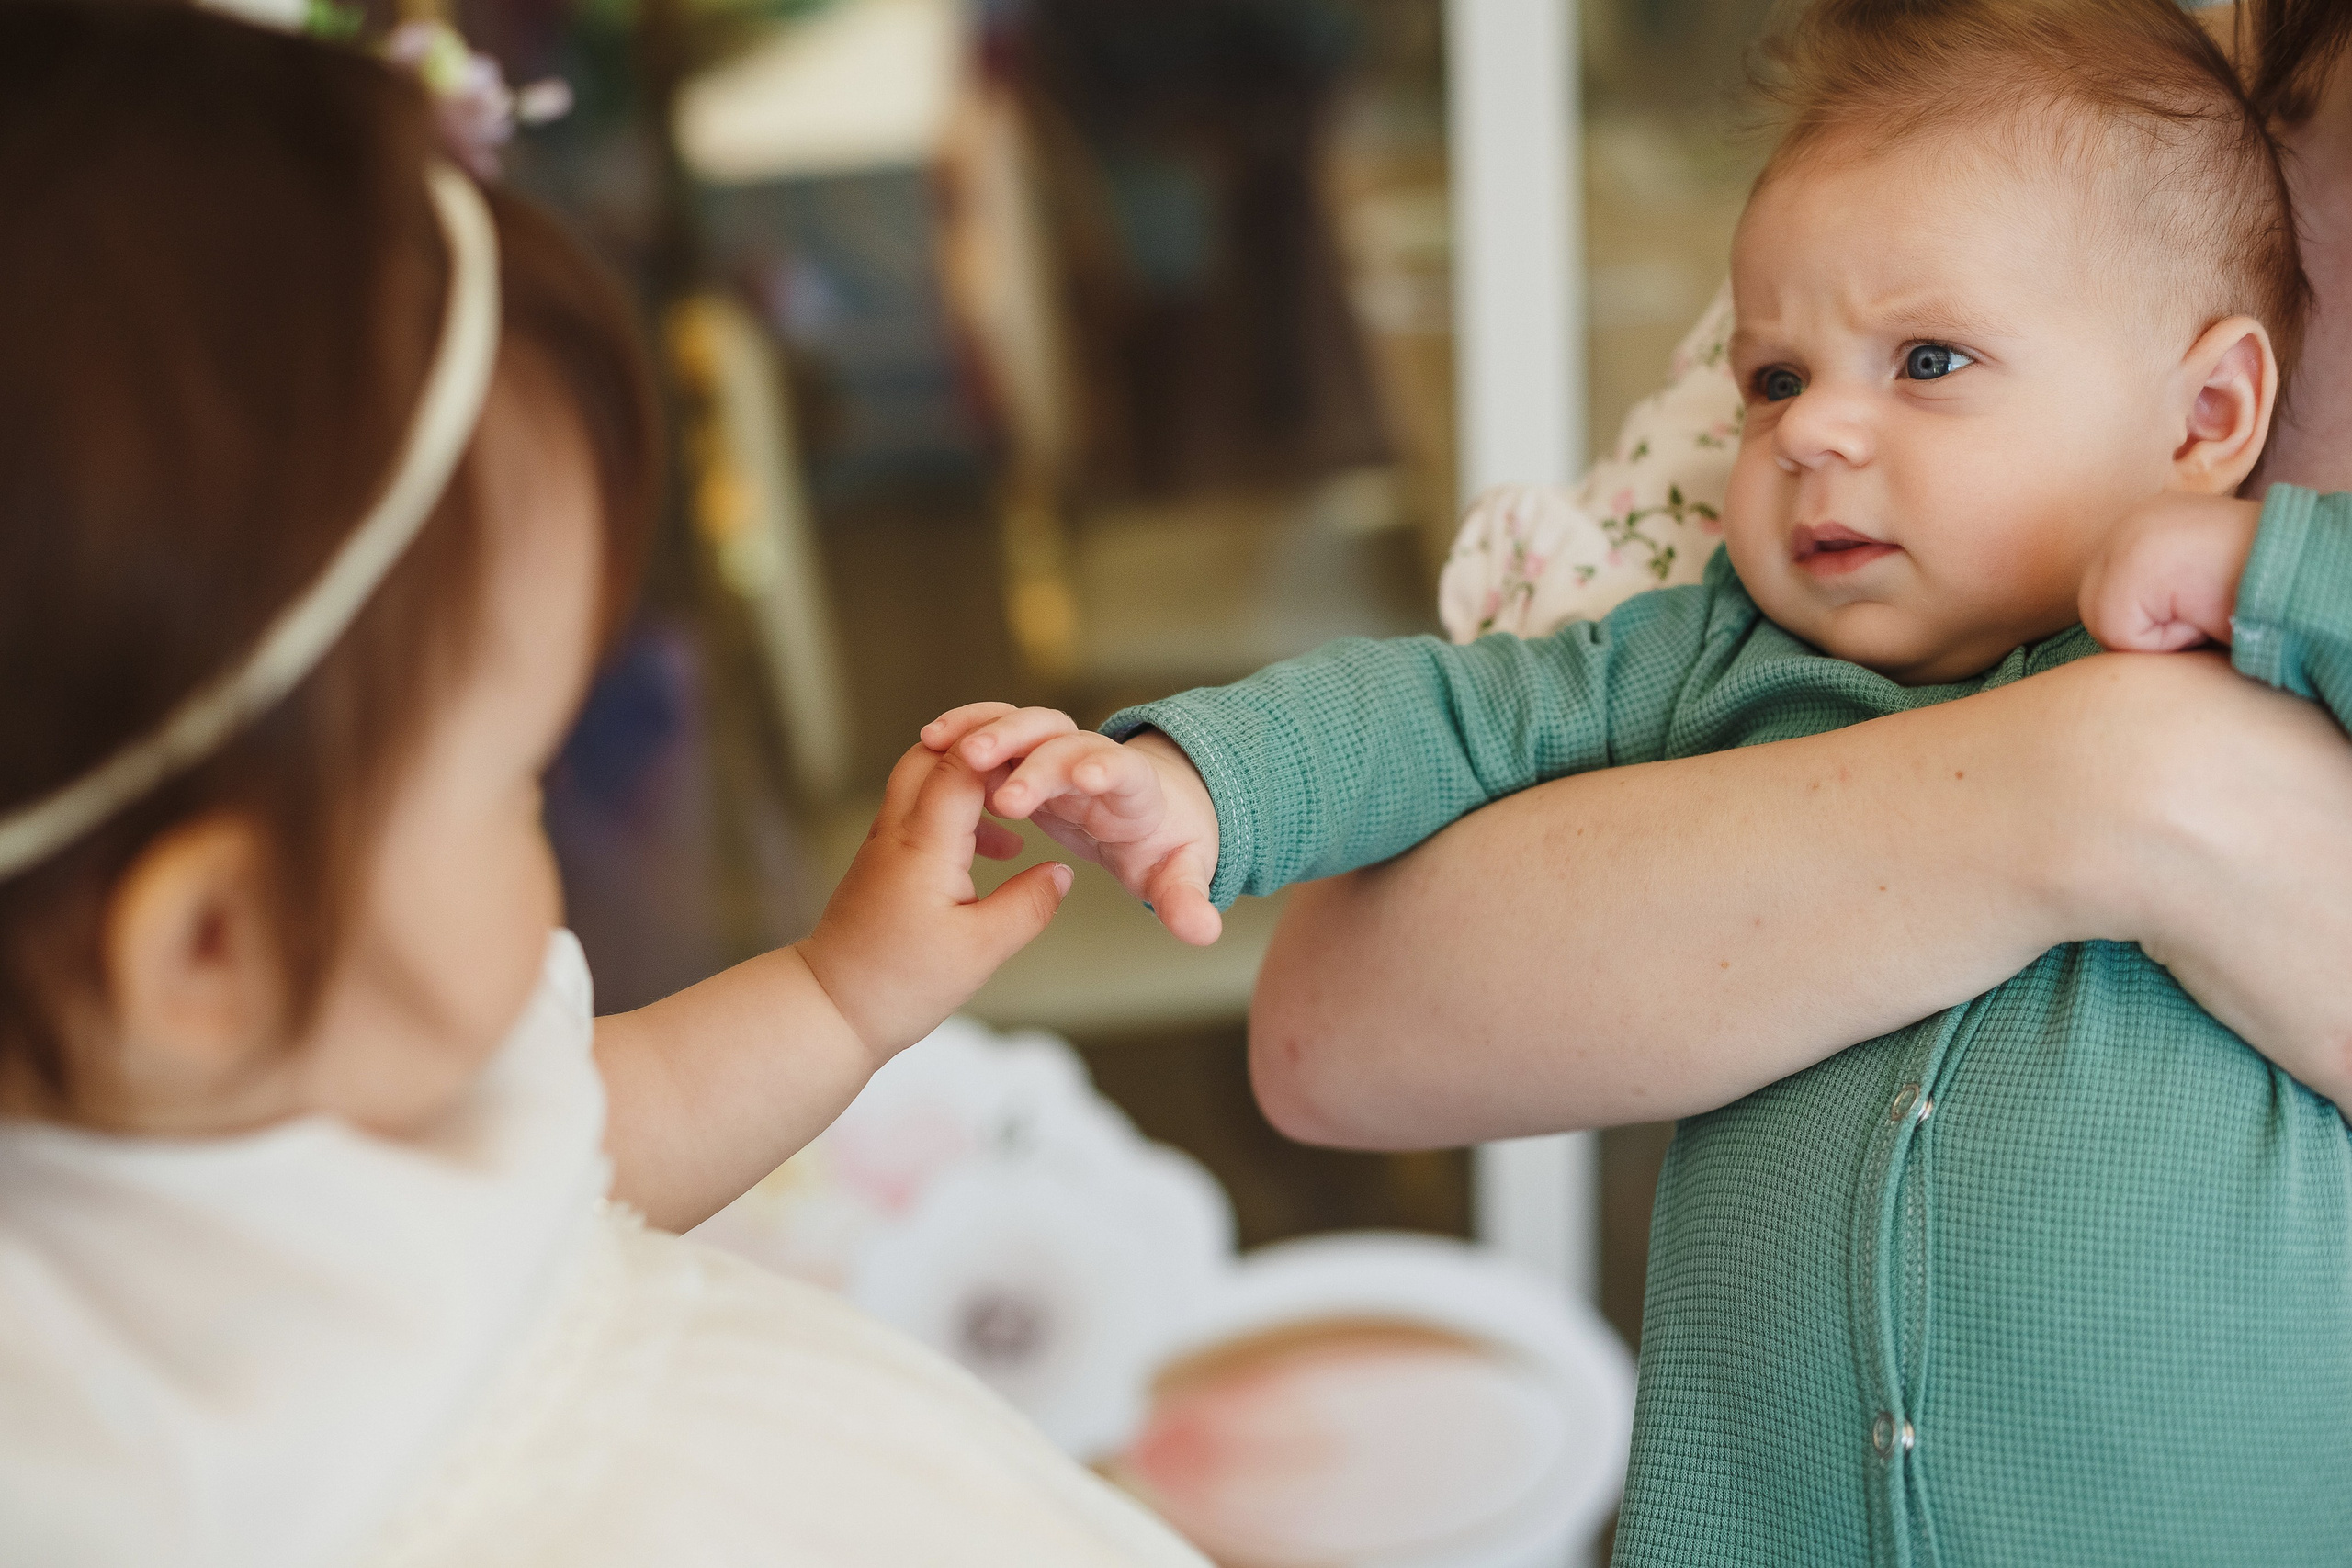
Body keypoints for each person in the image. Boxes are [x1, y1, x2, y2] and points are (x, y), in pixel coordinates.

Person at [927, 0, 2352, 1560]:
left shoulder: (2260, 640)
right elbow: (1454, 719)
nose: (1816, 430)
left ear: (2211, 416)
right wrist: (1201, 779)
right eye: (1773, 380)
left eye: (1928, 364)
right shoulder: (1722, 655)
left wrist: (2269, 564)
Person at [0, 9, 1210, 1567]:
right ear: (208, 951)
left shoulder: (355, 1079)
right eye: (516, 784)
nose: (552, 824)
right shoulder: (128, 1481)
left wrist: (843, 995)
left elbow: (591, 1129)